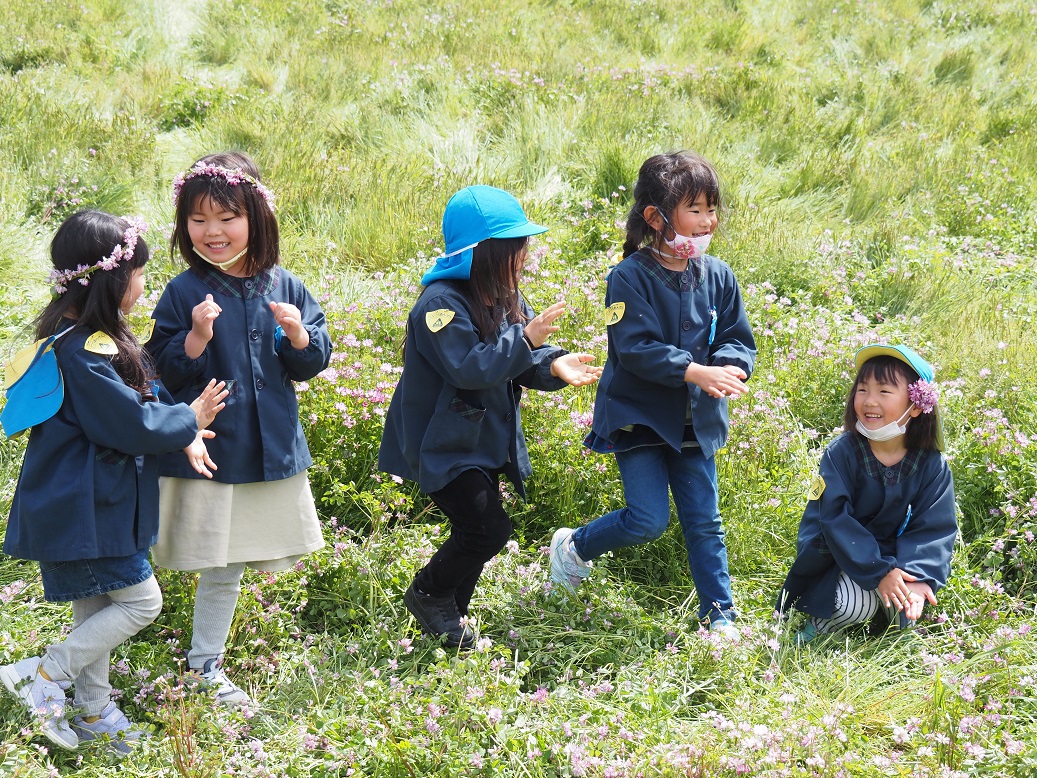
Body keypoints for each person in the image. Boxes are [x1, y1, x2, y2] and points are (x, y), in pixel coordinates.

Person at [0, 210, 226, 752]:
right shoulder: (84, 351)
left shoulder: (84, 339)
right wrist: (189, 419)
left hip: (92, 503)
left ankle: (95, 711)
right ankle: (44, 676)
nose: (144, 285)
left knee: (97, 606)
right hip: (90, 507)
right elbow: (128, 422)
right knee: (142, 603)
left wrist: (183, 432)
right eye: (139, 274)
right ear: (110, 278)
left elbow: (143, 393)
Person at [378, 185, 602, 648]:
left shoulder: (504, 294)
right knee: (487, 528)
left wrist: (552, 363)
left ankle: (450, 623)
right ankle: (429, 593)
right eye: (514, 249)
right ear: (482, 254)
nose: (523, 258)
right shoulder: (438, 304)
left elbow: (523, 356)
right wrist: (528, 341)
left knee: (476, 528)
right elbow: (472, 366)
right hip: (438, 442)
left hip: (478, 440)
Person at [146, 152, 332, 703]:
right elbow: (159, 364)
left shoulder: (284, 283)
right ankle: (204, 664)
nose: (212, 232)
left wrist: (299, 336)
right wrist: (197, 340)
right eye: (198, 220)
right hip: (215, 448)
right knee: (220, 561)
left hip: (268, 445)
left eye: (226, 218)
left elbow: (313, 358)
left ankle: (206, 659)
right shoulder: (184, 291)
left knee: (236, 559)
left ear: (256, 215)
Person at [548, 152, 756, 636]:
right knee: (647, 519)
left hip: (694, 421)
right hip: (640, 417)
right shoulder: (628, 277)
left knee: (705, 522)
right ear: (655, 217)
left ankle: (720, 617)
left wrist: (729, 367)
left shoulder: (719, 275)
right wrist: (694, 371)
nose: (707, 221)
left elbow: (737, 337)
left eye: (711, 209)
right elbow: (635, 348)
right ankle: (573, 547)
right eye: (695, 210)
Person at [776, 344, 957, 643]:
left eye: (884, 391)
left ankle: (881, 604)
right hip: (835, 550)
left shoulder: (931, 465)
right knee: (852, 606)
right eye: (862, 389)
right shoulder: (842, 453)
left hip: (887, 552)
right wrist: (879, 572)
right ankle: (818, 628)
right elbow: (834, 520)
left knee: (906, 605)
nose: (869, 401)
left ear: (915, 405)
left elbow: (934, 528)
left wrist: (920, 577)